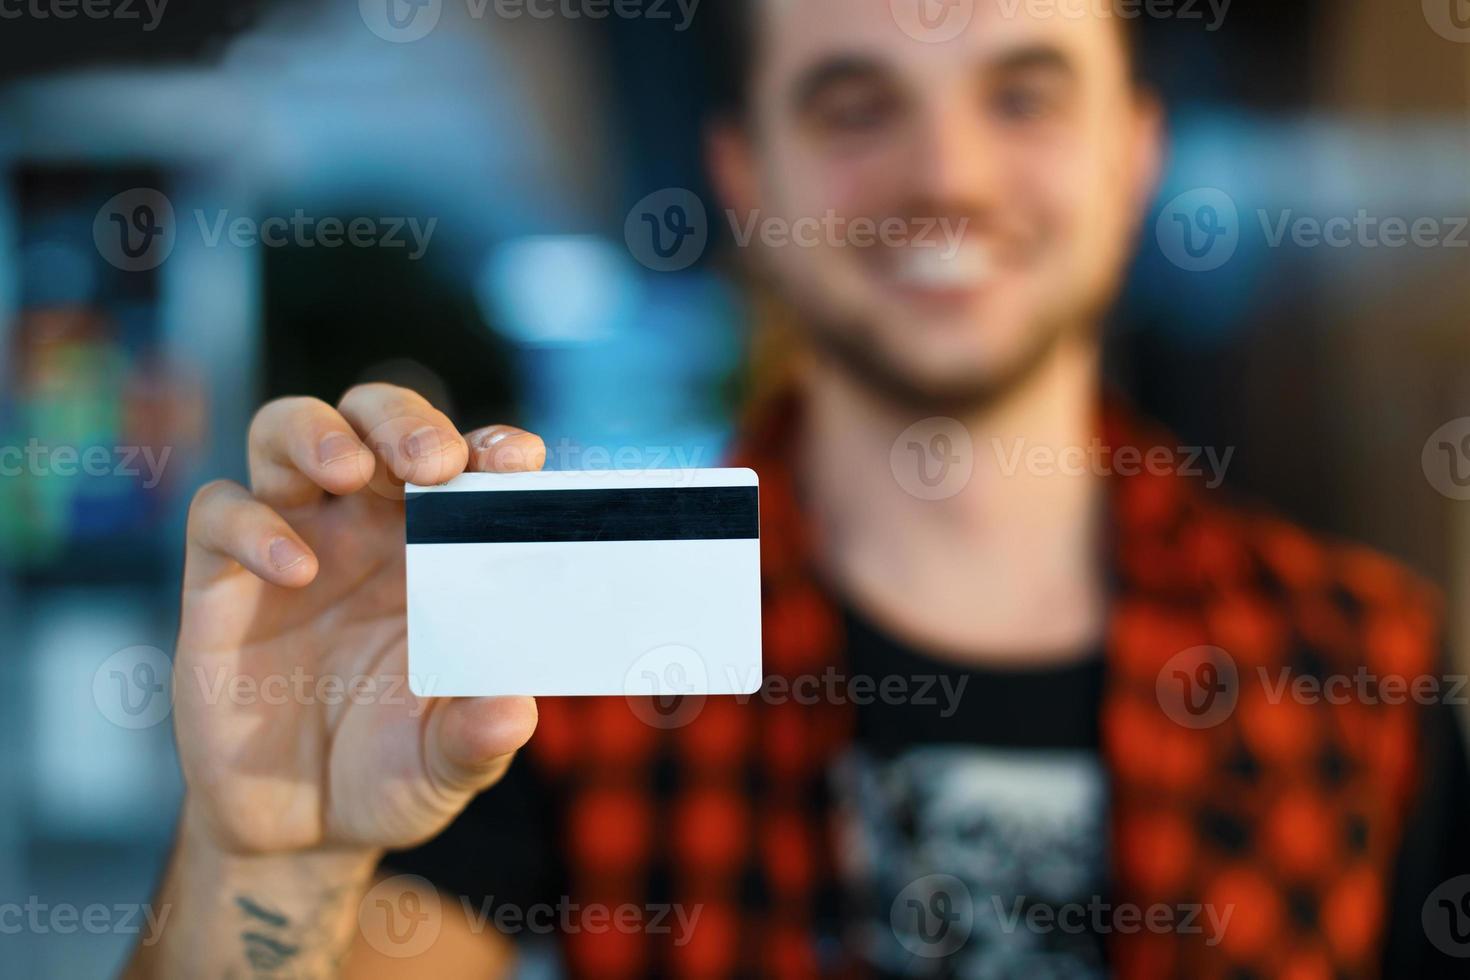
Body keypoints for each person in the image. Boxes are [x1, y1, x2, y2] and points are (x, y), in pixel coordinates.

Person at [126, 1, 1469, 977]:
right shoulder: (553, 663)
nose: (944, 174)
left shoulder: (1360, 658)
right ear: (743, 178)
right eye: (852, 102)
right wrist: (266, 864)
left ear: (1133, 154)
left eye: (1022, 91)